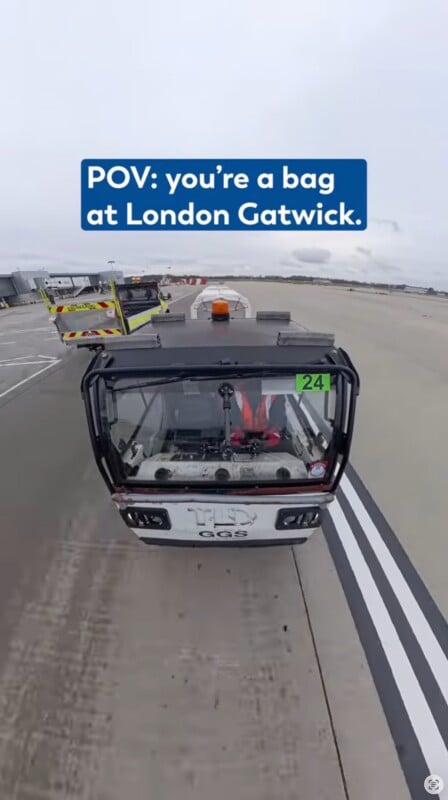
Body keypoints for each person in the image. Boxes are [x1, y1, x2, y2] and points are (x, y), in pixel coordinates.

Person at [230, 379, 287, 448]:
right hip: (238, 443)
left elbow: (279, 421)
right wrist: (238, 436)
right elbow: (227, 422)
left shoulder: (276, 393)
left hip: (269, 443)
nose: (255, 382)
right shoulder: (232, 393)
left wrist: (269, 439)